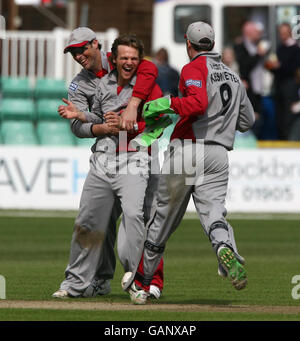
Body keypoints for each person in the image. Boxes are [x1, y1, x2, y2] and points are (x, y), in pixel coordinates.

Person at [121, 21, 255, 304]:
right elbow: (247, 121)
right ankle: (223, 249)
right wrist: (222, 121)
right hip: (219, 154)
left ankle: (143, 284)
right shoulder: (232, 75)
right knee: (215, 215)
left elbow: (196, 103)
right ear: (213, 43)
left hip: (189, 150)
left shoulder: (193, 68)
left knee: (161, 220)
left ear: (189, 44)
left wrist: (167, 104)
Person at [52, 28, 163, 299]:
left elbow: (149, 69)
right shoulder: (79, 84)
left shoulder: (122, 58)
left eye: (82, 49)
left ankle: (148, 282)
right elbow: (78, 126)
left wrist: (133, 107)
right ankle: (93, 281)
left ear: (95, 44)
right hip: (106, 154)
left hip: (141, 149)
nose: (79, 56)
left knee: (143, 218)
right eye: (73, 52)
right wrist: (102, 127)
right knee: (94, 221)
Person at [234, 21, 269, 139]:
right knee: (249, 119)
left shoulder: (257, 46)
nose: (260, 34)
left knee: (259, 120)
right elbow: (245, 66)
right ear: (248, 33)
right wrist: (258, 55)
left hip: (258, 90)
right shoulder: (240, 47)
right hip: (247, 90)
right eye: (256, 32)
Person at [266, 23, 300, 140]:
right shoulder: (280, 48)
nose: (282, 35)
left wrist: (279, 66)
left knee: (288, 117)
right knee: (279, 117)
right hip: (279, 87)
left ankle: (289, 140)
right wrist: (271, 67)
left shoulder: (295, 49)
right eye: (281, 32)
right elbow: (277, 70)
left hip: (290, 87)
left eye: (284, 32)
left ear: (289, 32)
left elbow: (293, 68)